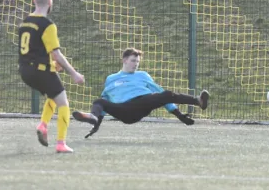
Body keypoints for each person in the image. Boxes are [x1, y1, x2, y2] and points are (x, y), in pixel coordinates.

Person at [72, 47, 209, 137]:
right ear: (124, 60)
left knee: (166, 94)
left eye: (137, 61)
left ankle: (198, 101)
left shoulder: (143, 75)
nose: (136, 64)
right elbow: (105, 102)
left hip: (142, 104)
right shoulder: (111, 78)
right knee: (99, 101)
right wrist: (97, 126)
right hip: (123, 110)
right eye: (133, 61)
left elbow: (160, 93)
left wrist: (180, 116)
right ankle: (93, 119)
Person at [18, 0, 85, 153]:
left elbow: (35, 50)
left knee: (53, 96)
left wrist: (54, 65)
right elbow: (55, 53)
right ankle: (61, 143)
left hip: (25, 71)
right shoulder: (47, 25)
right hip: (40, 70)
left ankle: (43, 125)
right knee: (63, 102)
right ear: (50, 3)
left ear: (34, 1)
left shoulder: (25, 22)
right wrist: (73, 73)